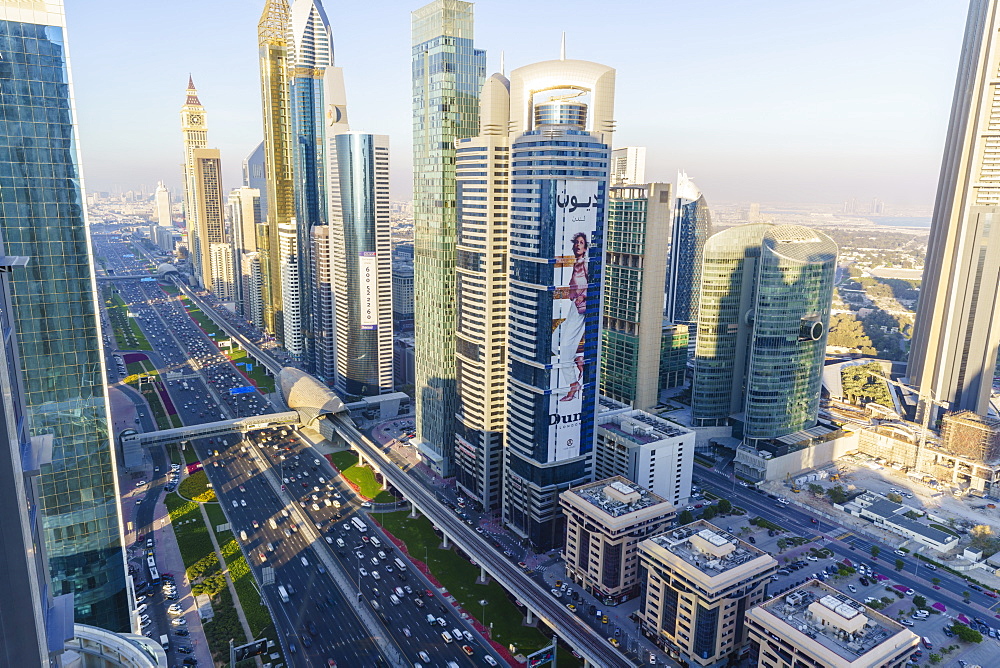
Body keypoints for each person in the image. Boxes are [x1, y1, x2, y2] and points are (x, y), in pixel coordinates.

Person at [553, 232, 588, 401]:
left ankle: (574, 385)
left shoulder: (587, 264)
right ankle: (578, 359)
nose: (577, 245)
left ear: (586, 246)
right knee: (553, 341)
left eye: (581, 243)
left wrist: (583, 296)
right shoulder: (577, 263)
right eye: (576, 243)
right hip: (574, 308)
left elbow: (595, 286)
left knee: (565, 349)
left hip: (582, 310)